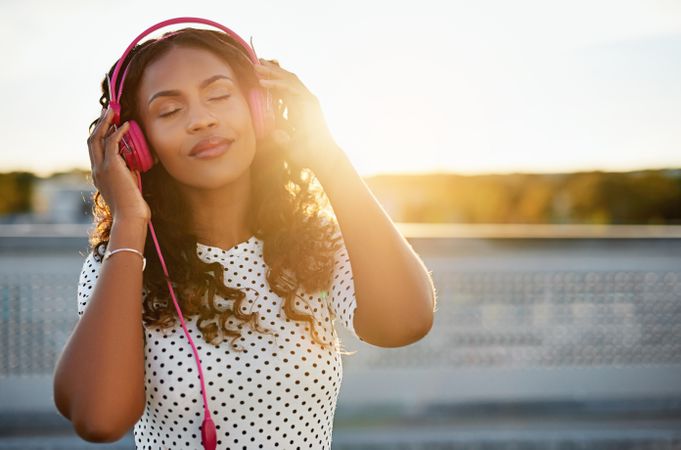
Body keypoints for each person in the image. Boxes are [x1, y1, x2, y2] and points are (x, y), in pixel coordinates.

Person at [53, 19, 436, 450]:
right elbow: (99, 419)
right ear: (137, 145)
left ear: (261, 111)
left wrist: (328, 156)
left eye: (219, 95)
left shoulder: (317, 243)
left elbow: (404, 323)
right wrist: (129, 221)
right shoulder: (123, 262)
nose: (201, 119)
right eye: (170, 110)